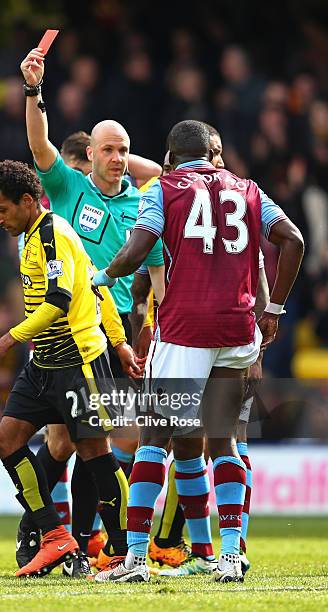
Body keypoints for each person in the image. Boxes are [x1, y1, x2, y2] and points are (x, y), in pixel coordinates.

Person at [92, 120, 304, 583]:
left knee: (154, 442)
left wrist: (101, 278)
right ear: (215, 152)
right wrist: (275, 310)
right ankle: (229, 556)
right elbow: (293, 240)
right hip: (237, 329)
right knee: (223, 440)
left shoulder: (162, 191)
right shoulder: (248, 190)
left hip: (186, 330)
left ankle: (134, 560)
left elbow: (136, 251)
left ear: (169, 156)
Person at [19, 46, 165, 570]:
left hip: (119, 327)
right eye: (107, 149)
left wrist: (148, 326)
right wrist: (34, 90)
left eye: (124, 150)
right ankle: (44, 533)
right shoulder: (68, 186)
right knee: (66, 440)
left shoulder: (145, 201)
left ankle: (82, 541)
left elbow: (156, 271)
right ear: (91, 153)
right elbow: (38, 143)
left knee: (91, 440)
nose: (117, 158)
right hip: (67, 322)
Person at [0, 160, 139, 578]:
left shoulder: (53, 233)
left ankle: (124, 551)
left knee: (94, 451)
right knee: (7, 440)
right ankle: (53, 535)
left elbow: (61, 299)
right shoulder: (30, 235)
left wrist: (7, 340)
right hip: (43, 363)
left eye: (1, 209)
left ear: (28, 201)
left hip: (78, 360)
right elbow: (94, 288)